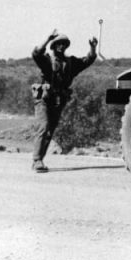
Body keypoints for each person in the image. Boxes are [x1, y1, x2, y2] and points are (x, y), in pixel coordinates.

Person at [30, 29, 97, 173]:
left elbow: (88, 60)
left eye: (64, 44)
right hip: (44, 99)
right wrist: (47, 39)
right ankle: (37, 160)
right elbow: (36, 54)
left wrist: (93, 48)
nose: (61, 46)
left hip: (58, 101)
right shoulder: (47, 60)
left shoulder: (71, 63)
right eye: (58, 44)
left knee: (50, 131)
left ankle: (39, 159)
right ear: (54, 46)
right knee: (43, 126)